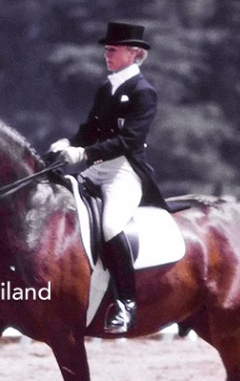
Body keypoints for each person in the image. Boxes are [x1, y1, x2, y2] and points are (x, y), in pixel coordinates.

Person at [48, 21, 166, 334]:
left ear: (134, 53)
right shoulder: (106, 88)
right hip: (97, 167)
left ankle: (126, 303)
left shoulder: (144, 93)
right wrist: (70, 144)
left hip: (123, 171)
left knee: (112, 225)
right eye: (106, 50)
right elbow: (89, 128)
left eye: (113, 50)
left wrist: (84, 154)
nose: (107, 54)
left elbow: (128, 141)